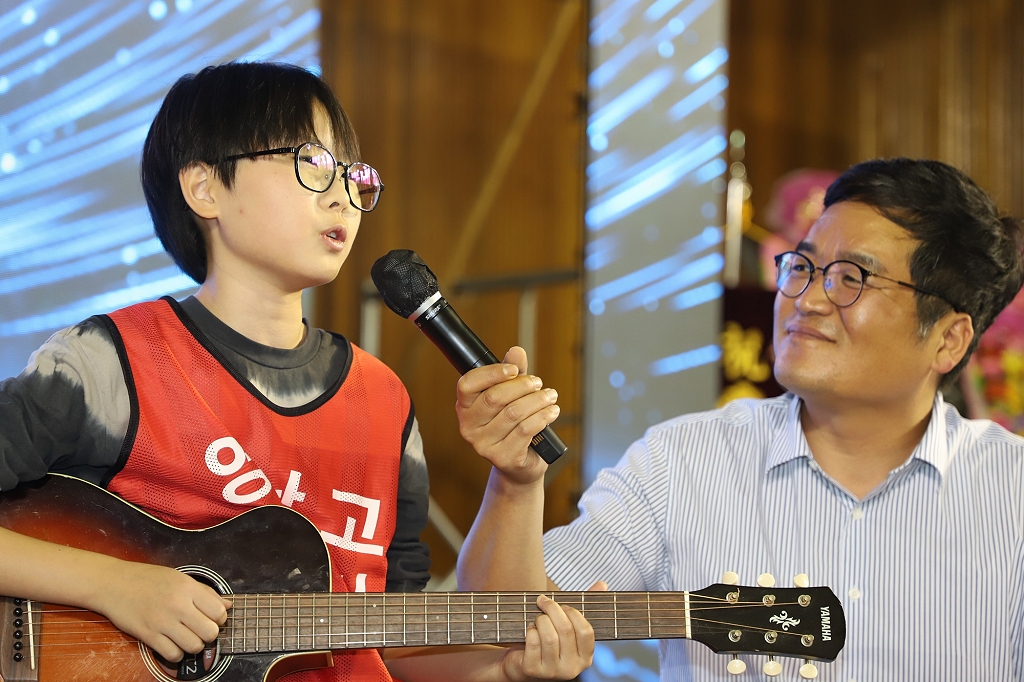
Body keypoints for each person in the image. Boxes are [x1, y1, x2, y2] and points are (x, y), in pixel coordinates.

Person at [0, 61, 596, 682]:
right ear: (205, 189)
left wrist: (506, 669)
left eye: (354, 175)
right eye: (312, 162)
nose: (343, 197)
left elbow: (388, 644)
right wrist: (115, 585)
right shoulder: (110, 362)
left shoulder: (383, 400)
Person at [455, 158, 1024, 680]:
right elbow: (503, 628)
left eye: (851, 278)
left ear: (948, 340)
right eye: (802, 266)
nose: (808, 299)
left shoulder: (1011, 492)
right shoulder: (682, 462)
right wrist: (516, 484)